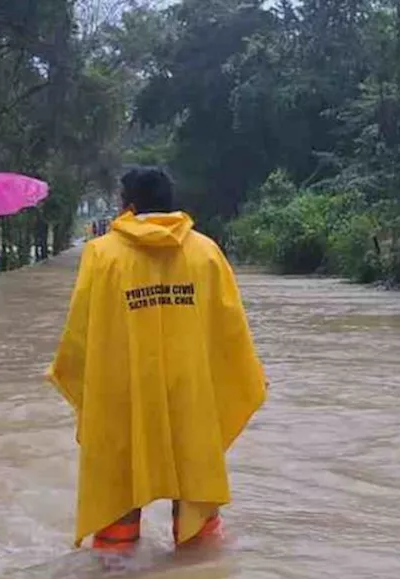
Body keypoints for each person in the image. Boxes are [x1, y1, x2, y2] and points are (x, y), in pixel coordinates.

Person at [47, 167, 267, 556]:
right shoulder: (206, 251)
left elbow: (82, 332)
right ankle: (198, 565)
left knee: (118, 492)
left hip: (125, 393)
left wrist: (77, 380)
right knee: (197, 496)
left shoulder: (101, 254)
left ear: (127, 206)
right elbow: (230, 333)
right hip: (191, 393)